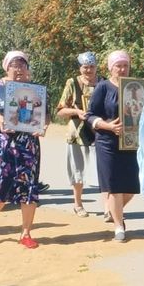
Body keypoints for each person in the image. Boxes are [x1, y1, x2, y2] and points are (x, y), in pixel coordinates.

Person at [0, 50, 47, 249]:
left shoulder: (34, 89)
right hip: (3, 144)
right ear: (6, 67)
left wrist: (43, 126)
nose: (19, 69)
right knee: (1, 186)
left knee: (28, 187)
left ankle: (26, 233)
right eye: (15, 65)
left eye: (23, 65)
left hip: (28, 146)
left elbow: (44, 115)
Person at [85, 50, 140, 243]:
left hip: (130, 142)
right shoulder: (103, 87)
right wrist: (108, 126)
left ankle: (112, 210)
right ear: (111, 68)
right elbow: (90, 115)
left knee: (131, 187)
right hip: (107, 142)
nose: (122, 69)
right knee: (115, 186)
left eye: (125, 65)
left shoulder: (135, 86)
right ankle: (119, 226)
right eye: (118, 66)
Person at [56, 51, 101, 217]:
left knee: (104, 171)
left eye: (92, 67)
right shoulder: (72, 83)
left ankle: (109, 207)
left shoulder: (103, 82)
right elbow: (60, 110)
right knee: (77, 170)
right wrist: (77, 112)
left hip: (100, 132)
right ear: (80, 67)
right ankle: (78, 204)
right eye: (85, 67)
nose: (89, 70)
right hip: (77, 133)